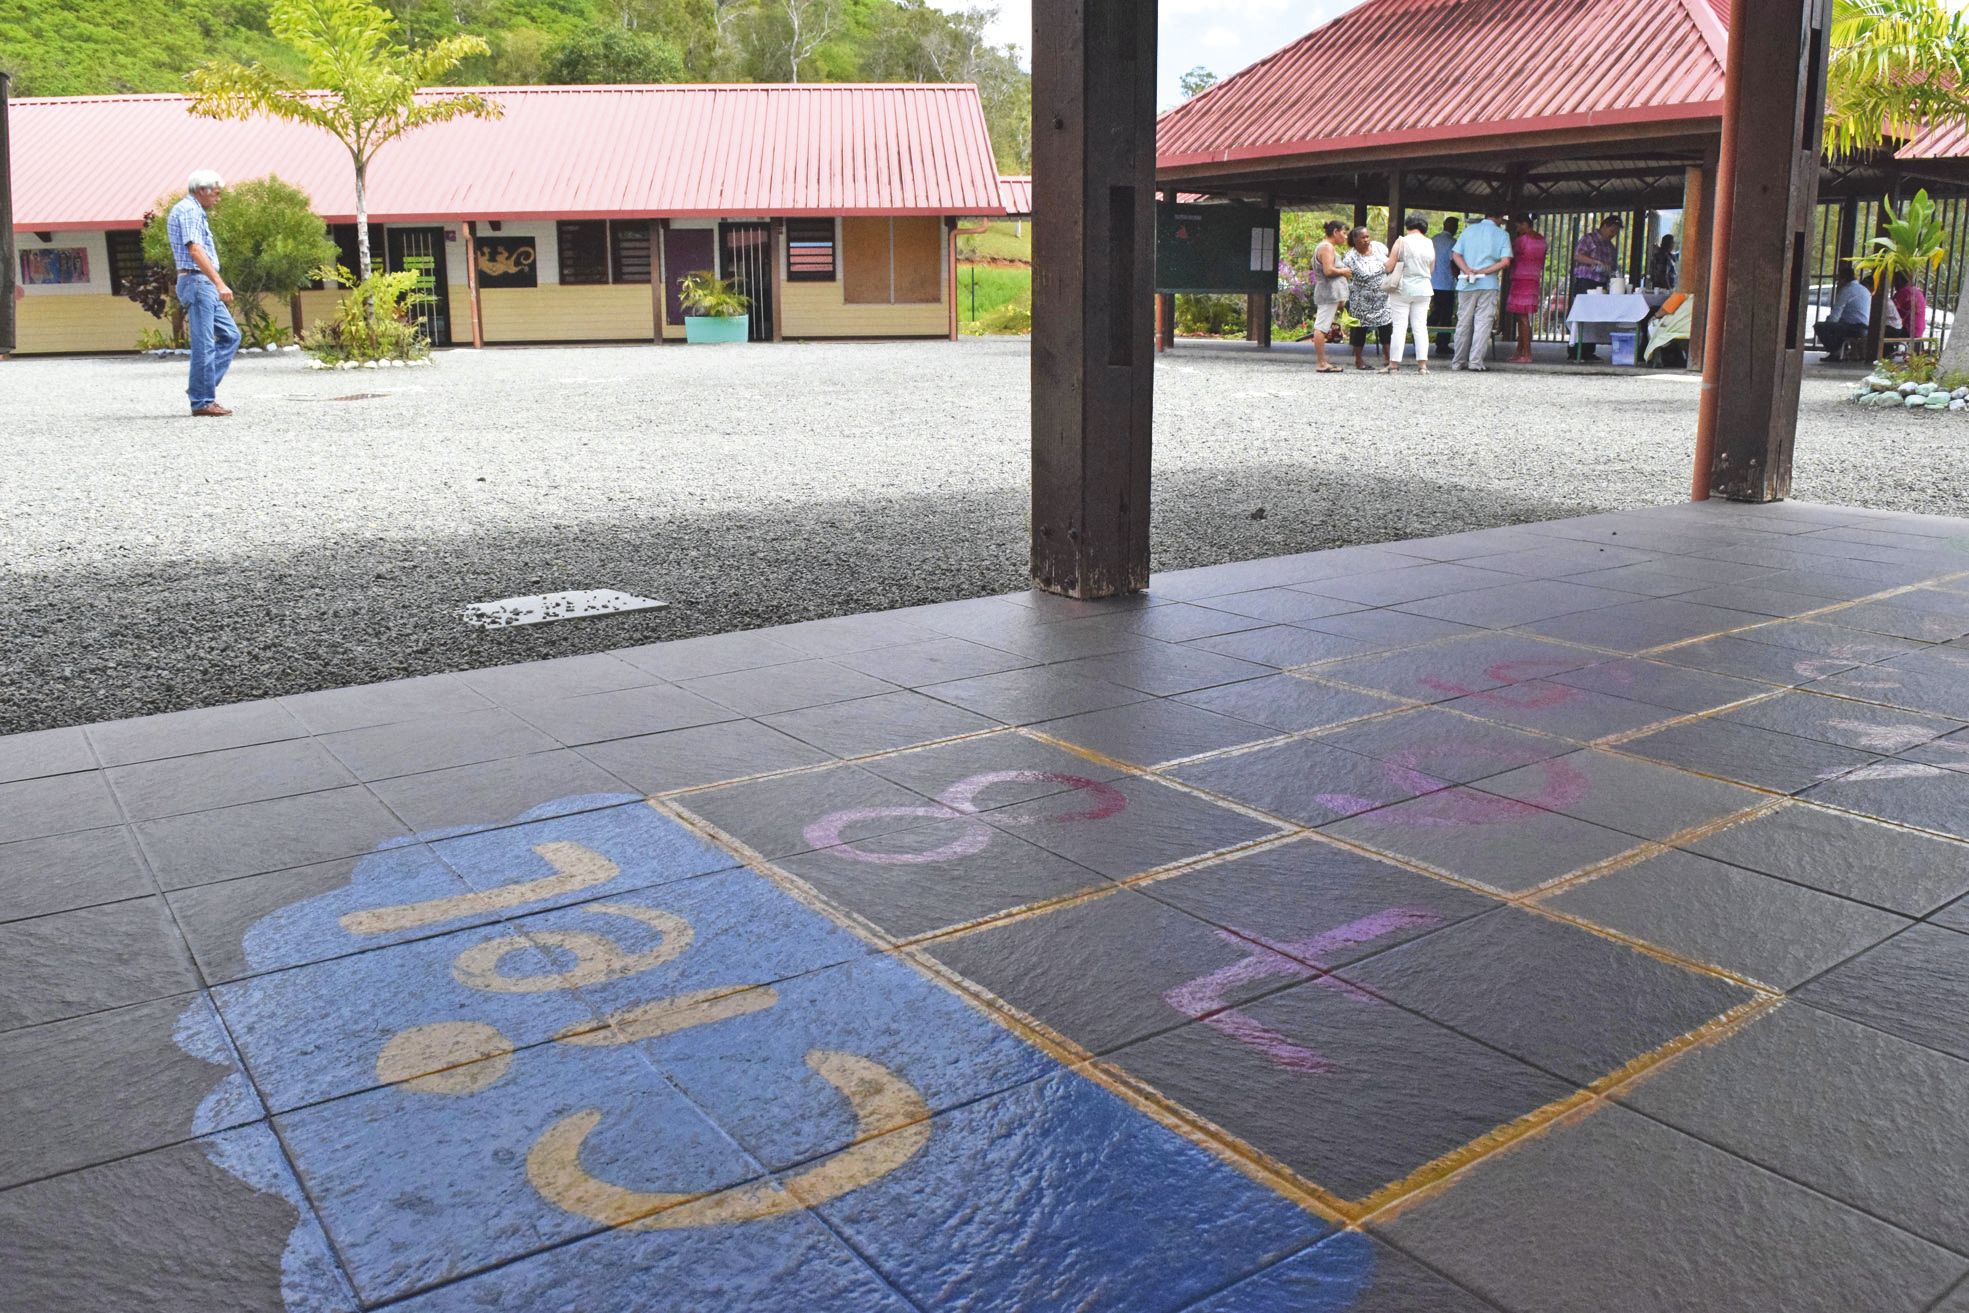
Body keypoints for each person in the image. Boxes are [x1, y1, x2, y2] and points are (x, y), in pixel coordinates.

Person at [168, 170, 240, 417]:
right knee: (204, 343)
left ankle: (200, 388)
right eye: (216, 193)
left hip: (203, 284)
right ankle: (202, 400)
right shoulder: (189, 211)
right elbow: (195, 250)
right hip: (198, 282)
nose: (218, 199)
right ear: (202, 190)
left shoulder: (194, 211)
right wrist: (219, 283)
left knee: (230, 336)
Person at [1450, 207, 1512, 371]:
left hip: (1466, 283)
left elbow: (1455, 254)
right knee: (1483, 323)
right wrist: (1483, 271)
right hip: (1488, 283)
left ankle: (1458, 361)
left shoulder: (1469, 230)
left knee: (1463, 322)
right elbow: (1505, 262)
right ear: (1499, 218)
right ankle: (1475, 362)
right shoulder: (1502, 235)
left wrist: (1467, 270)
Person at [1384, 214, 1436, 373]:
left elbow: (1389, 267)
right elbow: (1431, 269)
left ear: (1408, 226)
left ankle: (1394, 365)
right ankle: (1422, 365)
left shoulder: (1402, 241)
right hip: (1424, 288)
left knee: (1399, 326)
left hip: (1403, 287)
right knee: (1420, 326)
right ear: (1424, 227)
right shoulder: (1429, 243)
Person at [1568, 214, 1622, 361]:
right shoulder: (1589, 238)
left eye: (1616, 232)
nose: (1613, 234)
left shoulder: (1611, 246)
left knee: (1594, 317)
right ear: (1604, 226)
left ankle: (1588, 351)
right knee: (1581, 314)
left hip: (1602, 283)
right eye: (1612, 231)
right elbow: (1578, 256)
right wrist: (1595, 262)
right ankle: (1574, 351)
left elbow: (1613, 267)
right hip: (1586, 281)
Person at [1341, 226, 1392, 369]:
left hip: (1382, 298)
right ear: (1355, 239)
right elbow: (1354, 276)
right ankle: (1358, 360)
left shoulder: (1378, 247)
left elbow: (1390, 261)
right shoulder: (1350, 257)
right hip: (1361, 300)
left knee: (1386, 327)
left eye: (1368, 236)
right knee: (1359, 330)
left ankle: (1388, 358)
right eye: (1363, 237)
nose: (1367, 240)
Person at [1310, 219, 1351, 374]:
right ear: (1335, 232)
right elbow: (1328, 270)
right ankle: (1321, 362)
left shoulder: (1327, 247)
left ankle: (1323, 361)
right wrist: (1344, 271)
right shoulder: (1326, 247)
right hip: (1328, 292)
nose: (1346, 237)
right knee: (1321, 326)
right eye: (1344, 233)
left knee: (1324, 325)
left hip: (1330, 292)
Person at [1506, 215, 1548, 364]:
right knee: (1522, 317)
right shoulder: (1541, 240)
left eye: (1518, 226)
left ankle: (1527, 353)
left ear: (1525, 224)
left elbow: (1510, 257)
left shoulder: (1521, 240)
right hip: (1534, 279)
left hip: (1520, 279)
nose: (1517, 229)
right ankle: (1519, 351)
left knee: (1522, 318)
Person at [1815, 269, 1872, 360]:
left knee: (1820, 326)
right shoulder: (1864, 289)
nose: (1838, 282)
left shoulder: (1847, 290)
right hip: (1865, 326)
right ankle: (1841, 351)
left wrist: (1829, 323)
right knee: (1837, 326)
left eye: (1838, 279)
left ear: (1843, 279)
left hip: (1854, 327)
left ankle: (1836, 353)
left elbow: (1837, 312)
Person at [1430, 215, 1461, 356]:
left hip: (1431, 283)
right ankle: (1442, 345)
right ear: (1454, 228)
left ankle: (1421, 338)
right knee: (1446, 316)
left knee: (1435, 313)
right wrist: (1459, 278)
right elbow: (1453, 263)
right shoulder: (1453, 243)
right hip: (1446, 284)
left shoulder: (1433, 240)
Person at [1893, 272, 1928, 343]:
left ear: (1901, 281)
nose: (1893, 284)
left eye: (1895, 280)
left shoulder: (1904, 292)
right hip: (1918, 330)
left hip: (1908, 330)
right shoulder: (1916, 291)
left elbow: (1889, 309)